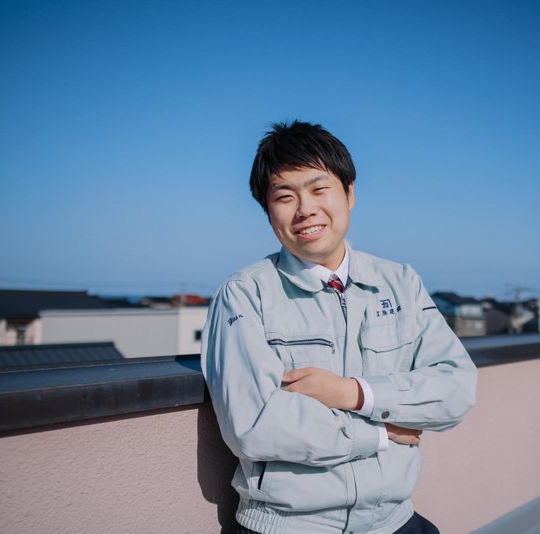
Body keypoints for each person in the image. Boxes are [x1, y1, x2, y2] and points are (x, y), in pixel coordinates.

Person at [201, 120, 478, 534]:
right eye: (285, 196)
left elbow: (456, 388)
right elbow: (254, 426)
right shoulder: (245, 294)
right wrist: (380, 433)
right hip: (287, 525)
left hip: (394, 521)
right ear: (268, 211)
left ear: (349, 193)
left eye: (319, 189)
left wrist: (354, 393)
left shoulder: (400, 282)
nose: (305, 209)